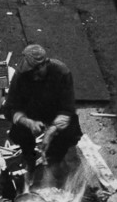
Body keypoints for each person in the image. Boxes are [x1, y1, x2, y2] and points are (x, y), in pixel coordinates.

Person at [4, 44, 82, 173]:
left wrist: (52, 129)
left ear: (45, 63)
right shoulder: (21, 75)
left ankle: (54, 160)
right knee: (19, 133)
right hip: (32, 113)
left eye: (37, 71)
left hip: (55, 112)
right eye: (30, 72)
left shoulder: (62, 72)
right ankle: (29, 157)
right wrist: (27, 122)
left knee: (70, 131)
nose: (34, 76)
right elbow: (9, 108)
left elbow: (68, 108)